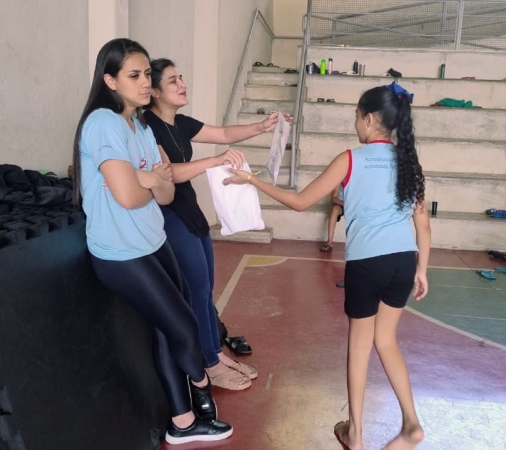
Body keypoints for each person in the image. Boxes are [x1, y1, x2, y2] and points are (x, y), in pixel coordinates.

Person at [224, 83, 430, 450]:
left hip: (367, 263)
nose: (356, 123)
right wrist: (422, 269)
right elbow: (423, 224)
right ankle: (411, 424)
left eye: (356, 117)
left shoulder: (350, 159)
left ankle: (356, 434)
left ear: (369, 120)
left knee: (360, 346)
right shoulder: (408, 161)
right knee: (386, 340)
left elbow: (301, 201)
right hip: (403, 259)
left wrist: (252, 180)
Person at [72, 38, 231, 445]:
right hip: (122, 253)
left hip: (153, 241)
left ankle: (183, 422)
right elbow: (127, 196)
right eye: (134, 75)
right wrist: (148, 178)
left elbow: (166, 194)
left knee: (169, 329)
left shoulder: (141, 126)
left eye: (146, 74)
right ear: (110, 80)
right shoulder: (103, 124)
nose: (146, 83)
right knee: (183, 326)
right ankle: (202, 393)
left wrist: (145, 179)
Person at [143, 58, 291, 390]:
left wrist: (262, 126)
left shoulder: (180, 122)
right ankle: (208, 363)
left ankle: (215, 354)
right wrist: (216, 159)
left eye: (181, 77)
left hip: (190, 211)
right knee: (196, 289)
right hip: (170, 215)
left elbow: (223, 133)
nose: (182, 84)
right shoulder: (147, 127)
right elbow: (168, 174)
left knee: (206, 288)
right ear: (154, 92)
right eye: (173, 80)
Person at [319, 186, 344, 252]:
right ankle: (329, 242)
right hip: (341, 204)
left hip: (354, 205)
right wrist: (344, 204)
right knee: (335, 209)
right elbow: (333, 198)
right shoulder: (339, 181)